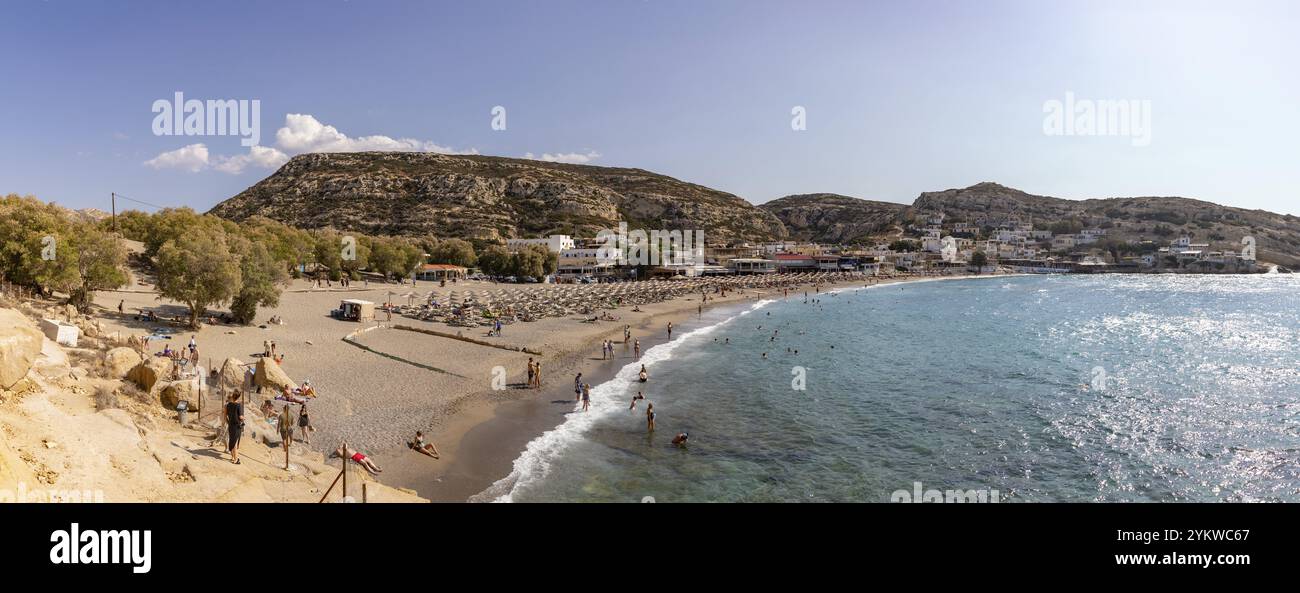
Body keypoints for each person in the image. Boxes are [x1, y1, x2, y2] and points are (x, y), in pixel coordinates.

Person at [225, 391, 245, 464]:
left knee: (232, 441)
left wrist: (229, 422)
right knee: (235, 443)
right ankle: (236, 459)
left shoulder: (228, 405)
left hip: (231, 425)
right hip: (237, 426)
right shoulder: (238, 405)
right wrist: (243, 418)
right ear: (238, 397)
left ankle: (233, 457)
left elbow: (225, 416)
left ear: (233, 396)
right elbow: (240, 417)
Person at [279, 404, 296, 470]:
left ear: (284, 409)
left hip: (283, 428)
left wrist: (277, 429)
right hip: (289, 428)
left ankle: (285, 448)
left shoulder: (281, 415)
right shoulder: (291, 415)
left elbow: (279, 423)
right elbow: (292, 423)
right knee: (291, 435)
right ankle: (291, 443)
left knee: (284, 439)